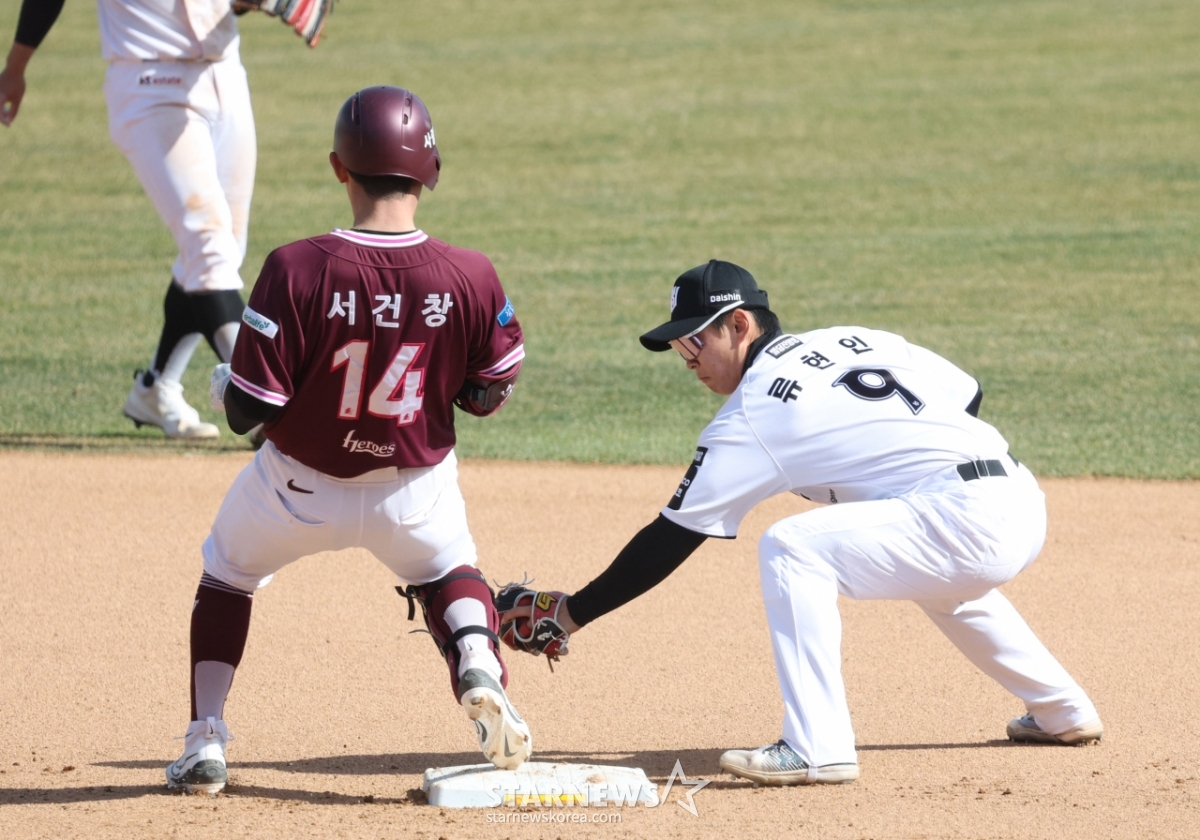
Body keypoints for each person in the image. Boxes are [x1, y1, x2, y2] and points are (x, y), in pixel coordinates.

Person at [500, 259, 1102, 786]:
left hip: (965, 517)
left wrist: (571, 613)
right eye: (679, 350)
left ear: (739, 325)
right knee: (942, 580)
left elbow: (673, 535)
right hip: (1018, 498)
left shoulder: (754, 411)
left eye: (693, 343)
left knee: (792, 547)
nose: (687, 362)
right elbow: (967, 394)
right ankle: (1061, 711)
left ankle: (816, 747)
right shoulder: (852, 338)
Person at [165, 86, 531, 795]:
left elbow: (248, 411)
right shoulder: (471, 273)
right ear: (432, 171)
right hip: (413, 494)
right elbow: (489, 394)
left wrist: (224, 385)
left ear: (340, 167)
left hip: (294, 492)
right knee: (451, 570)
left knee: (228, 573)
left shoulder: (296, 267)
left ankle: (205, 739)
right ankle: (478, 660)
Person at [1, 0, 260, 440]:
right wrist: (16, 65)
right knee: (210, 248)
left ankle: (156, 389)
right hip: (150, 83)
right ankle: (264, 414)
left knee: (222, 249)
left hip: (224, 73)